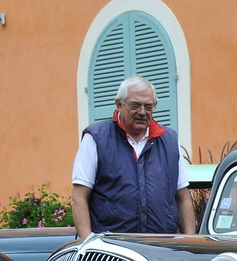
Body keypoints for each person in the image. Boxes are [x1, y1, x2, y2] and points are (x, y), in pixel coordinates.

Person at [71, 76, 196, 238]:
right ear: (119, 104)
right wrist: (87, 244)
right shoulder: (96, 138)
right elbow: (79, 197)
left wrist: (188, 240)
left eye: (148, 106)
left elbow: (183, 198)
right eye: (135, 105)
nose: (142, 112)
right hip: (110, 248)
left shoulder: (170, 141)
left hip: (161, 248)